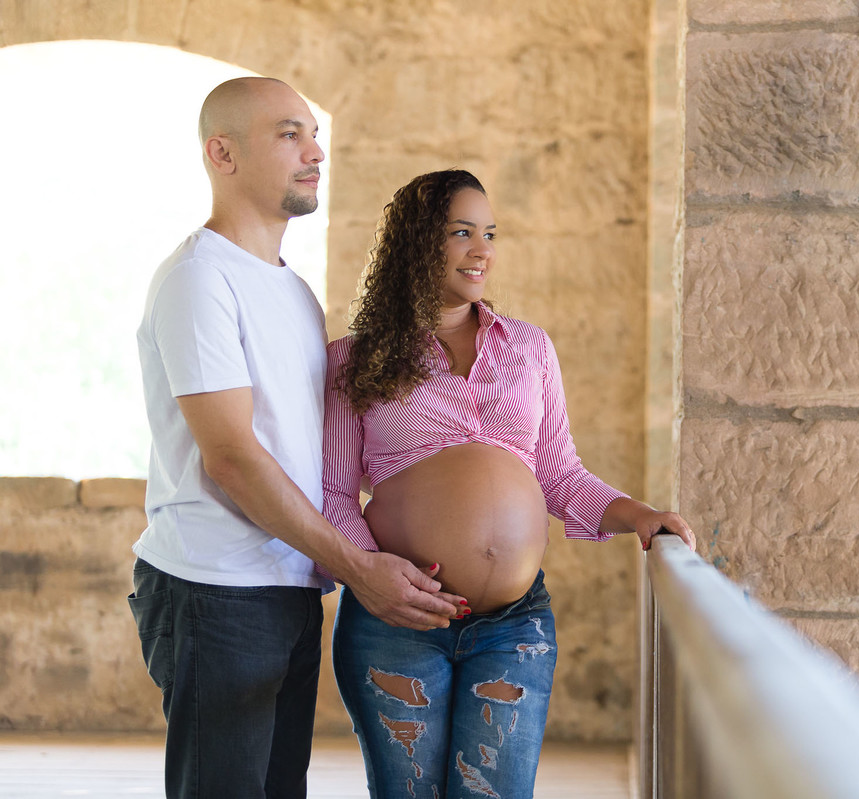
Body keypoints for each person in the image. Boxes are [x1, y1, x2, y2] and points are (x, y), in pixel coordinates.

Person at [127, 78, 470, 799]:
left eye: (315, 135)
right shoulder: (199, 280)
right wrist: (358, 564)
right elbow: (232, 460)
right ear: (222, 153)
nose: (316, 152)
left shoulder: (291, 289)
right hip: (216, 590)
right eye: (290, 134)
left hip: (286, 582)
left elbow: (320, 453)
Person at [323, 168, 697, 799]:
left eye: (490, 233)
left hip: (513, 626)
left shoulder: (528, 348)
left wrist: (637, 515)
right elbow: (333, 495)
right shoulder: (355, 360)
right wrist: (380, 575)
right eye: (461, 232)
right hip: (398, 622)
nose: (482, 250)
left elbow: (557, 471)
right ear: (417, 243)